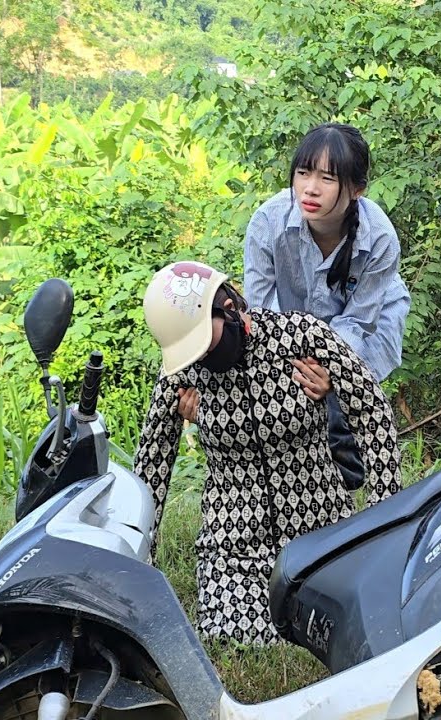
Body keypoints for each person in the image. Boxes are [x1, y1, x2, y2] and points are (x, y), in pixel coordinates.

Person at [134, 260, 402, 645]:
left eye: (202, 341)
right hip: (234, 548)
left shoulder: (300, 336)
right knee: (236, 639)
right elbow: (152, 463)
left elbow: (371, 411)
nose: (201, 356)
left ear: (228, 307)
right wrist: (141, 564)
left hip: (321, 534)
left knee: (345, 629)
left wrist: (384, 519)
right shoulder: (182, 372)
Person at [243, 123, 410, 490]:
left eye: (327, 178)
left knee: (342, 407)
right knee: (291, 399)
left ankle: (352, 490)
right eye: (303, 173)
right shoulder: (268, 223)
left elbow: (358, 320)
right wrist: (296, 362)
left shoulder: (379, 237)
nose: (310, 188)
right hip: (285, 328)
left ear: (356, 190)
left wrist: (330, 371)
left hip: (368, 323)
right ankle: (303, 489)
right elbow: (260, 308)